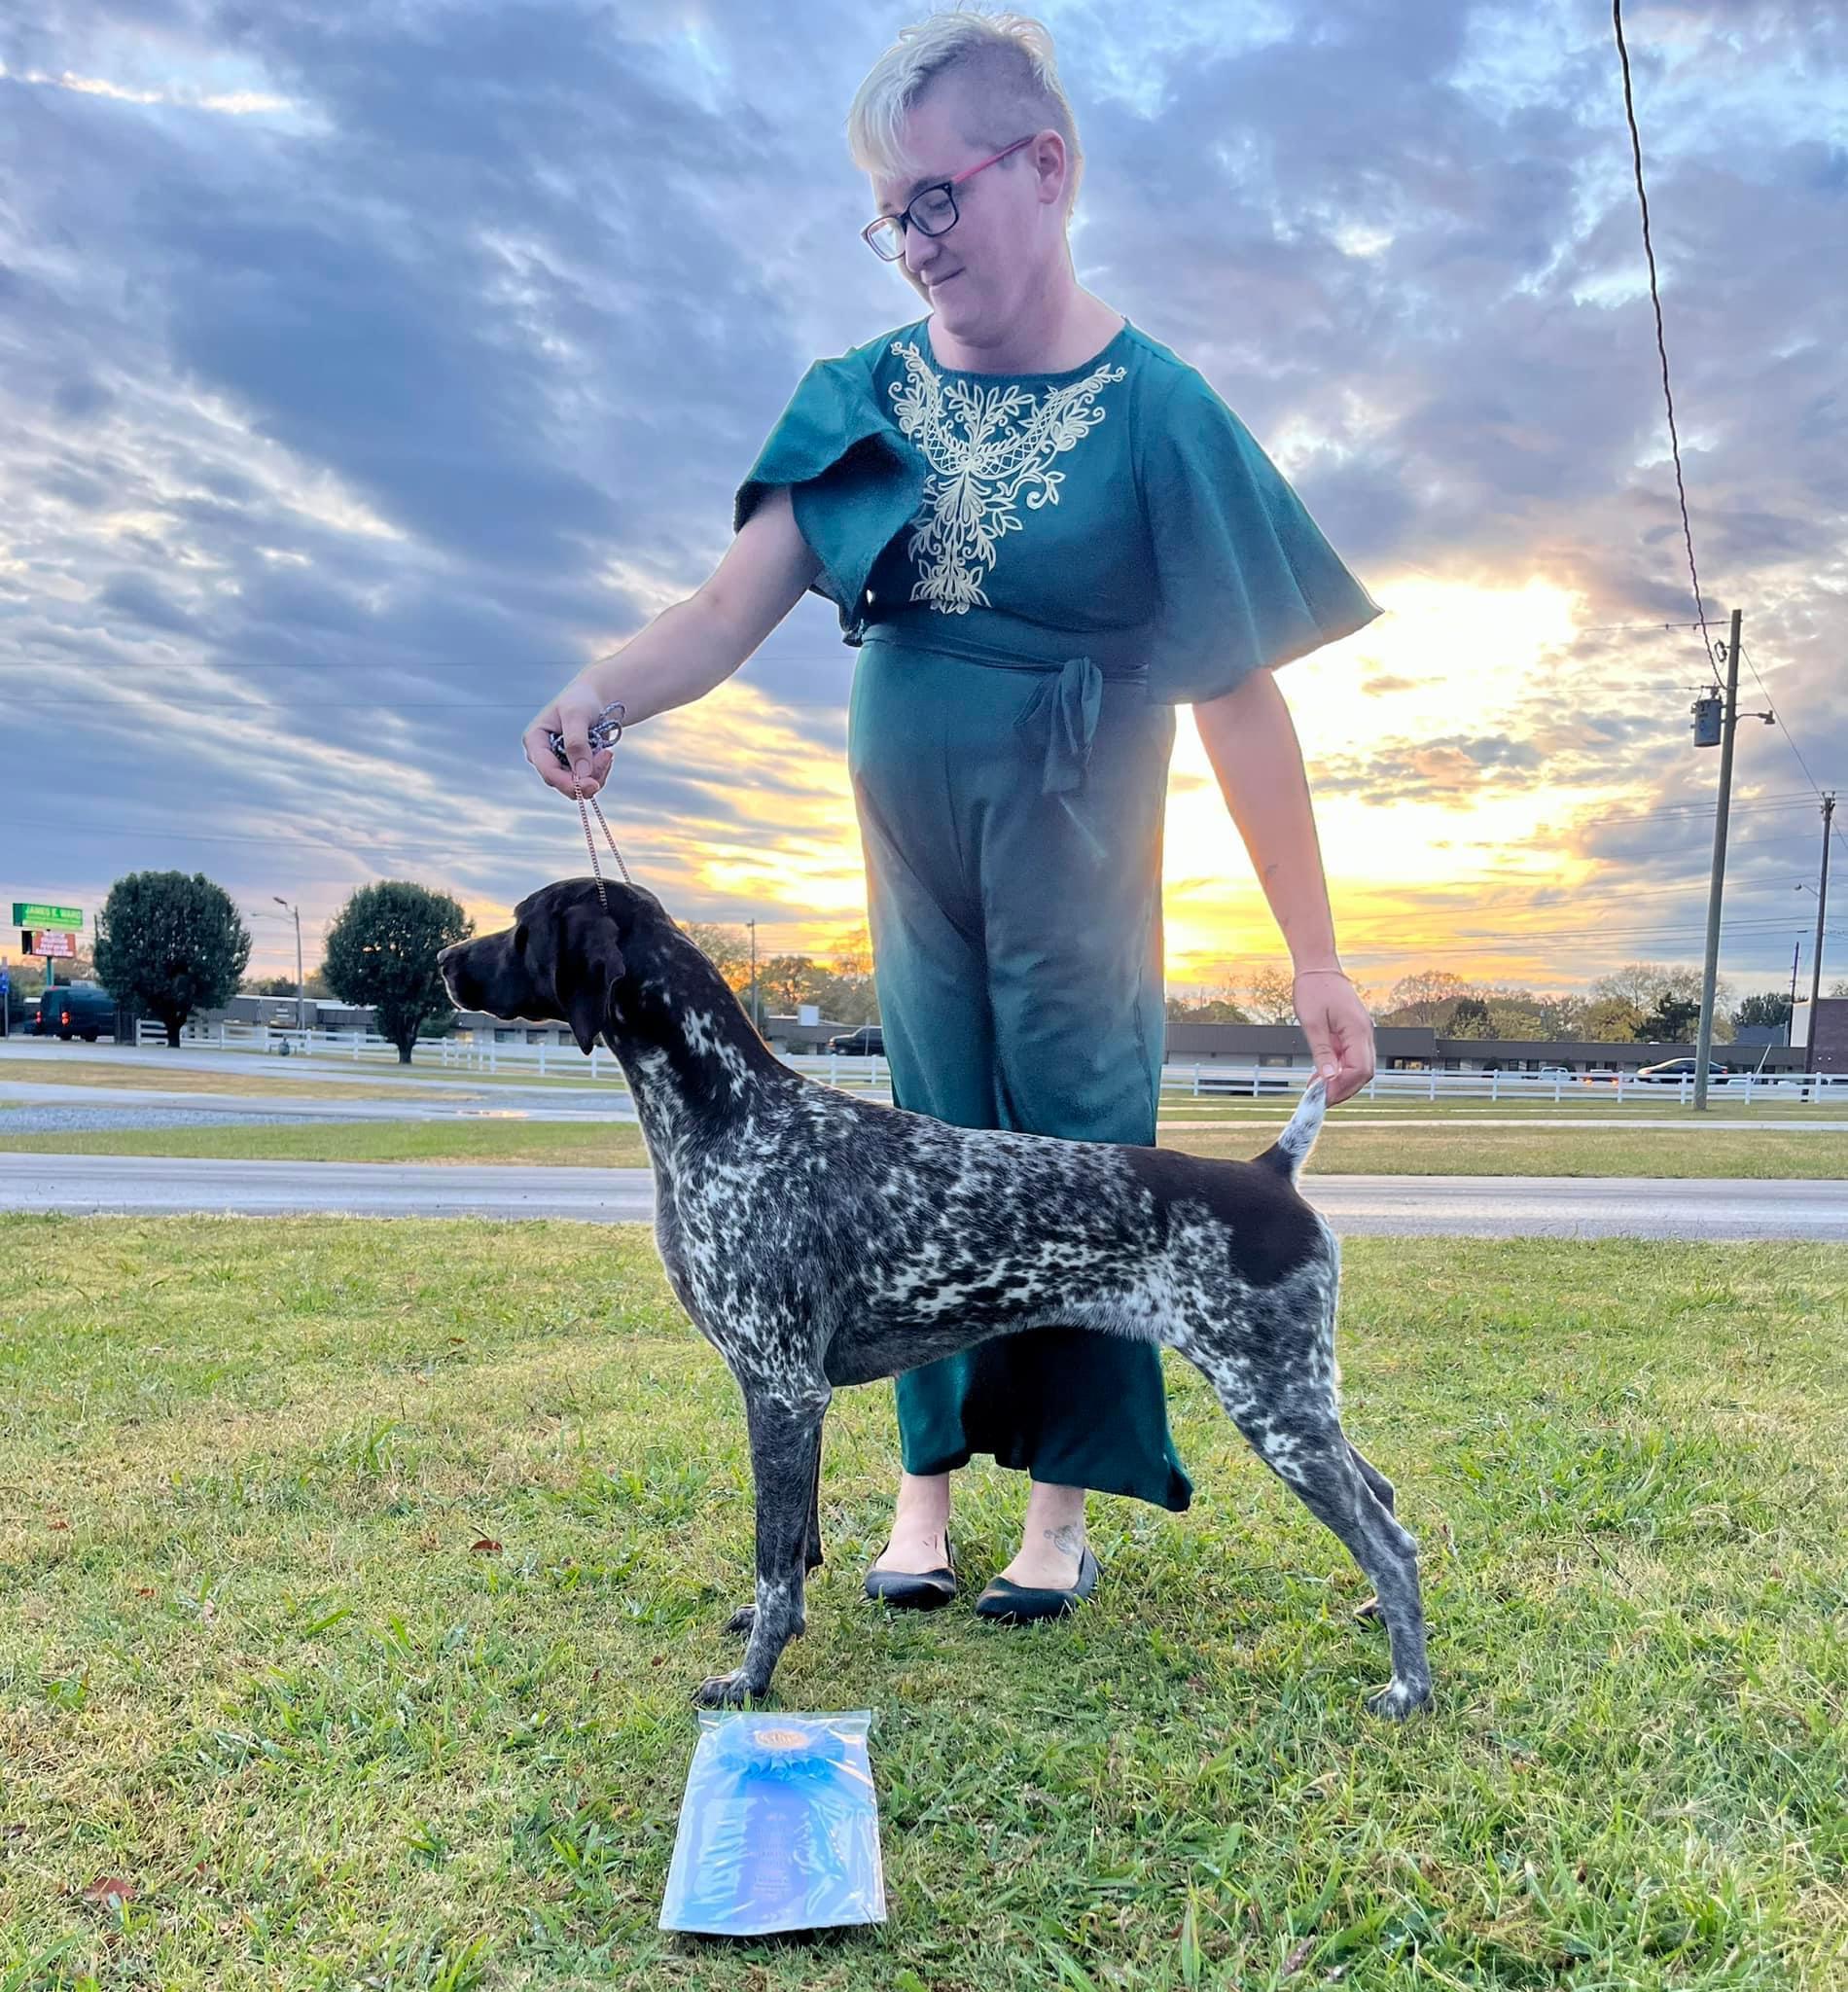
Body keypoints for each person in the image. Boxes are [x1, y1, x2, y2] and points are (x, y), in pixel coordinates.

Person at [524, 11, 1380, 1624]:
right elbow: (722, 609)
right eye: (888, 216)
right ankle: (919, 1496)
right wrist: (603, 694)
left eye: (937, 199)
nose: (914, 242)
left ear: (1044, 169)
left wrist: (1316, 957)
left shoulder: (1158, 406)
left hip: (1082, 833)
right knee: (911, 1144)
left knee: (1084, 1144)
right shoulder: (861, 394)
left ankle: (1056, 1515)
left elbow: (1242, 697)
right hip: (913, 848)